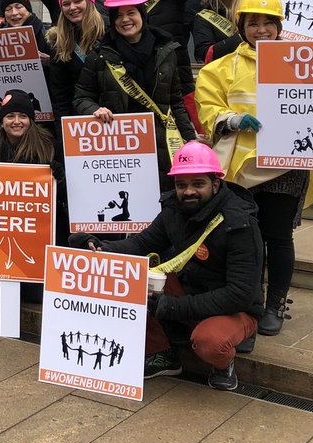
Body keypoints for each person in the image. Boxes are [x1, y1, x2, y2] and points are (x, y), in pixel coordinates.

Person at [195, 0, 313, 335]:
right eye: (253, 23)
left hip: (287, 166)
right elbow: (209, 109)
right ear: (241, 25)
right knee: (246, 239)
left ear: (279, 26)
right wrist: (232, 120)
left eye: (268, 23)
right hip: (240, 170)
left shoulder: (310, 61)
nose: (261, 30)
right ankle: (251, 302)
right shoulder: (221, 67)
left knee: (277, 236)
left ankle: (275, 304)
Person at [78, 141, 264, 392]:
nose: (188, 192)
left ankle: (223, 362)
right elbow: (143, 242)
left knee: (210, 342)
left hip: (234, 308)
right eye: (181, 185)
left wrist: (174, 306)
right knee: (133, 278)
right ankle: (163, 355)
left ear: (216, 184)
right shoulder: (173, 210)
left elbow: (240, 294)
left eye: (198, 184)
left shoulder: (239, 224)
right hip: (191, 290)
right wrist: (100, 247)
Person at [74, 0, 196, 178]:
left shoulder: (166, 51)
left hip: (161, 149)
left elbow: (175, 103)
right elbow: (81, 97)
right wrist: (94, 109)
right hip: (118, 150)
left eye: (131, 12)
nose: (125, 20)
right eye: (118, 15)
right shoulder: (99, 54)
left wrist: (191, 142)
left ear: (142, 14)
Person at [0, 89, 65, 292]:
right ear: (2, 120)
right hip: (3, 228)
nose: (16, 121)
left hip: (37, 231)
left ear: (31, 120)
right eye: (10, 116)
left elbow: (61, 197)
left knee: (35, 294)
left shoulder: (49, 146)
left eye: (23, 116)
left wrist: (60, 179)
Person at [44, 0, 105, 121]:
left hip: (113, 120)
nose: (72, 8)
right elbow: (60, 95)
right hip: (77, 122)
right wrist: (63, 134)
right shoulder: (59, 42)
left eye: (78, 1)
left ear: (89, 3)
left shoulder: (109, 34)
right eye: (66, 4)